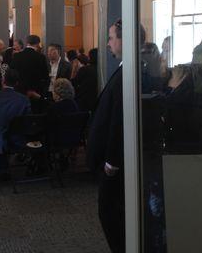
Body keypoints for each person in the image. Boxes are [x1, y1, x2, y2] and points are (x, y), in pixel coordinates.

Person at [87, 18, 125, 253]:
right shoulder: (123, 70)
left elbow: (119, 119)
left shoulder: (128, 74)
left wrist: (111, 160)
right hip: (110, 160)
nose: (108, 43)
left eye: (111, 37)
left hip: (114, 164)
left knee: (112, 213)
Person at [0, 69, 32, 181]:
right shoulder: (24, 100)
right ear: (17, 83)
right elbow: (28, 121)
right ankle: (3, 169)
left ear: (3, 81)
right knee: (7, 132)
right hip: (17, 140)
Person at [9, 35, 49, 99]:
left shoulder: (17, 56)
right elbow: (45, 75)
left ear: (27, 43)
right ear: (37, 44)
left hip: (20, 90)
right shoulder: (41, 57)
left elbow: (11, 72)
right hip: (35, 90)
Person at [73, 48, 99, 113]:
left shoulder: (84, 69)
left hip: (84, 102)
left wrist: (74, 69)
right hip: (98, 101)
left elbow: (74, 83)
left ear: (90, 57)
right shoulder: (103, 71)